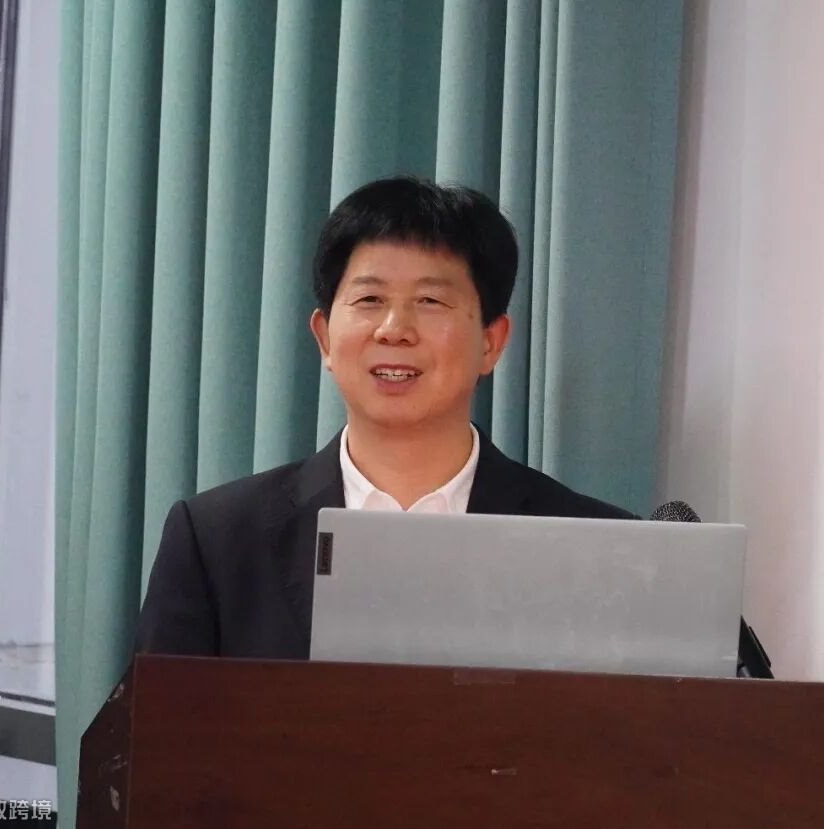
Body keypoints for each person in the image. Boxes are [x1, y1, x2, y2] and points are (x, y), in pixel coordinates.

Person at [135, 176, 637, 658]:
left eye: (430, 301)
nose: (394, 329)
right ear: (324, 337)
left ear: (491, 342)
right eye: (370, 299)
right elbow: (158, 717)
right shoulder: (216, 541)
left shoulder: (599, 548)